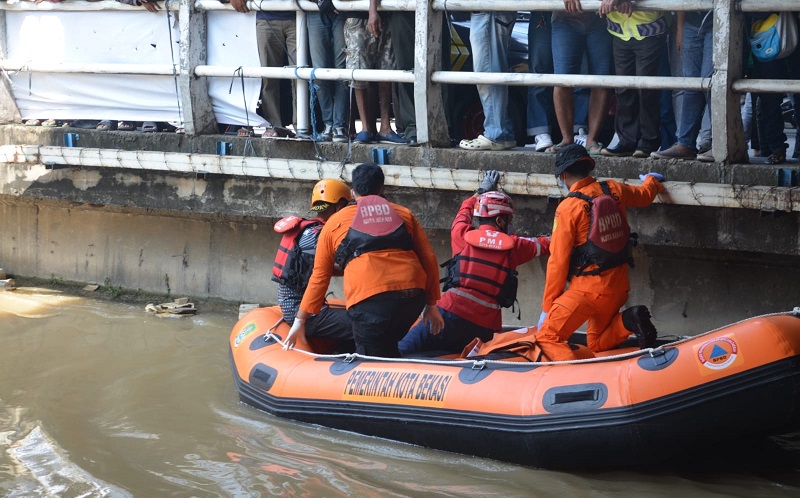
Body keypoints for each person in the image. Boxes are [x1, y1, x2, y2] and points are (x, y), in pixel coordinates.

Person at [286, 163, 443, 357]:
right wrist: (431, 304)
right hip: (413, 299)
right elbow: (429, 258)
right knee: (386, 343)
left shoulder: (334, 222)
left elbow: (320, 276)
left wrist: (300, 321)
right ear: (382, 189)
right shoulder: (404, 213)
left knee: (372, 358)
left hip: (370, 302)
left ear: (353, 193)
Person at [534, 144, 665, 361]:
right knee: (595, 343)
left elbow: (557, 261)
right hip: (618, 286)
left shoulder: (568, 208)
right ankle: (629, 319)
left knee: (546, 337)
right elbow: (644, 195)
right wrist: (652, 180)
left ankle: (576, 378)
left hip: (587, 291)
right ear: (588, 167)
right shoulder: (613, 189)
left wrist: (548, 307)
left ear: (563, 175)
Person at [398, 172, 551, 356]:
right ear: (500, 220)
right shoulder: (516, 246)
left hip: (447, 315)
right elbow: (548, 244)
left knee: (401, 351)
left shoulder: (461, 234)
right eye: (509, 220)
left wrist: (482, 190)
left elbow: (463, 212)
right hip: (484, 327)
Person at [271, 179, 356, 353]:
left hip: (292, 306)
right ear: (339, 207)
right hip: (303, 313)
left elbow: (323, 268)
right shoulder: (320, 235)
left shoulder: (307, 229)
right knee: (368, 326)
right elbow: (338, 265)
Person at [599, 0, 669, 158]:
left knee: (646, 89)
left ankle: (649, 141)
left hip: (650, 29)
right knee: (623, 89)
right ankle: (626, 141)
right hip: (619, 31)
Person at [548, 1, 613, 156]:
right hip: (564, 17)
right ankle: (567, 139)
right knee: (562, 80)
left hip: (602, 17)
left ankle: (592, 140)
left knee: (602, 80)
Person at [651, 10, 715, 162]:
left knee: (711, 84)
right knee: (690, 84)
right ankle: (685, 144)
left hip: (719, 20)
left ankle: (717, 143)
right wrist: (680, 27)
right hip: (691, 20)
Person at [344, 0, 407, 144]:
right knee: (358, 71)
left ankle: (384, 127)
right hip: (357, 16)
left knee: (386, 71)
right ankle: (366, 128)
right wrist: (372, 10)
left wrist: (373, 10)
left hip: (385, 14)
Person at [458, 10, 518, 151]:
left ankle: (495, 134)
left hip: (488, 12)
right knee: (493, 69)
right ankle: (503, 132)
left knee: (487, 72)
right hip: (491, 12)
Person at [307, 0, 348, 142]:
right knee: (319, 72)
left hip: (341, 8)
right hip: (314, 9)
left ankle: (339, 125)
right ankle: (328, 123)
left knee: (342, 71)